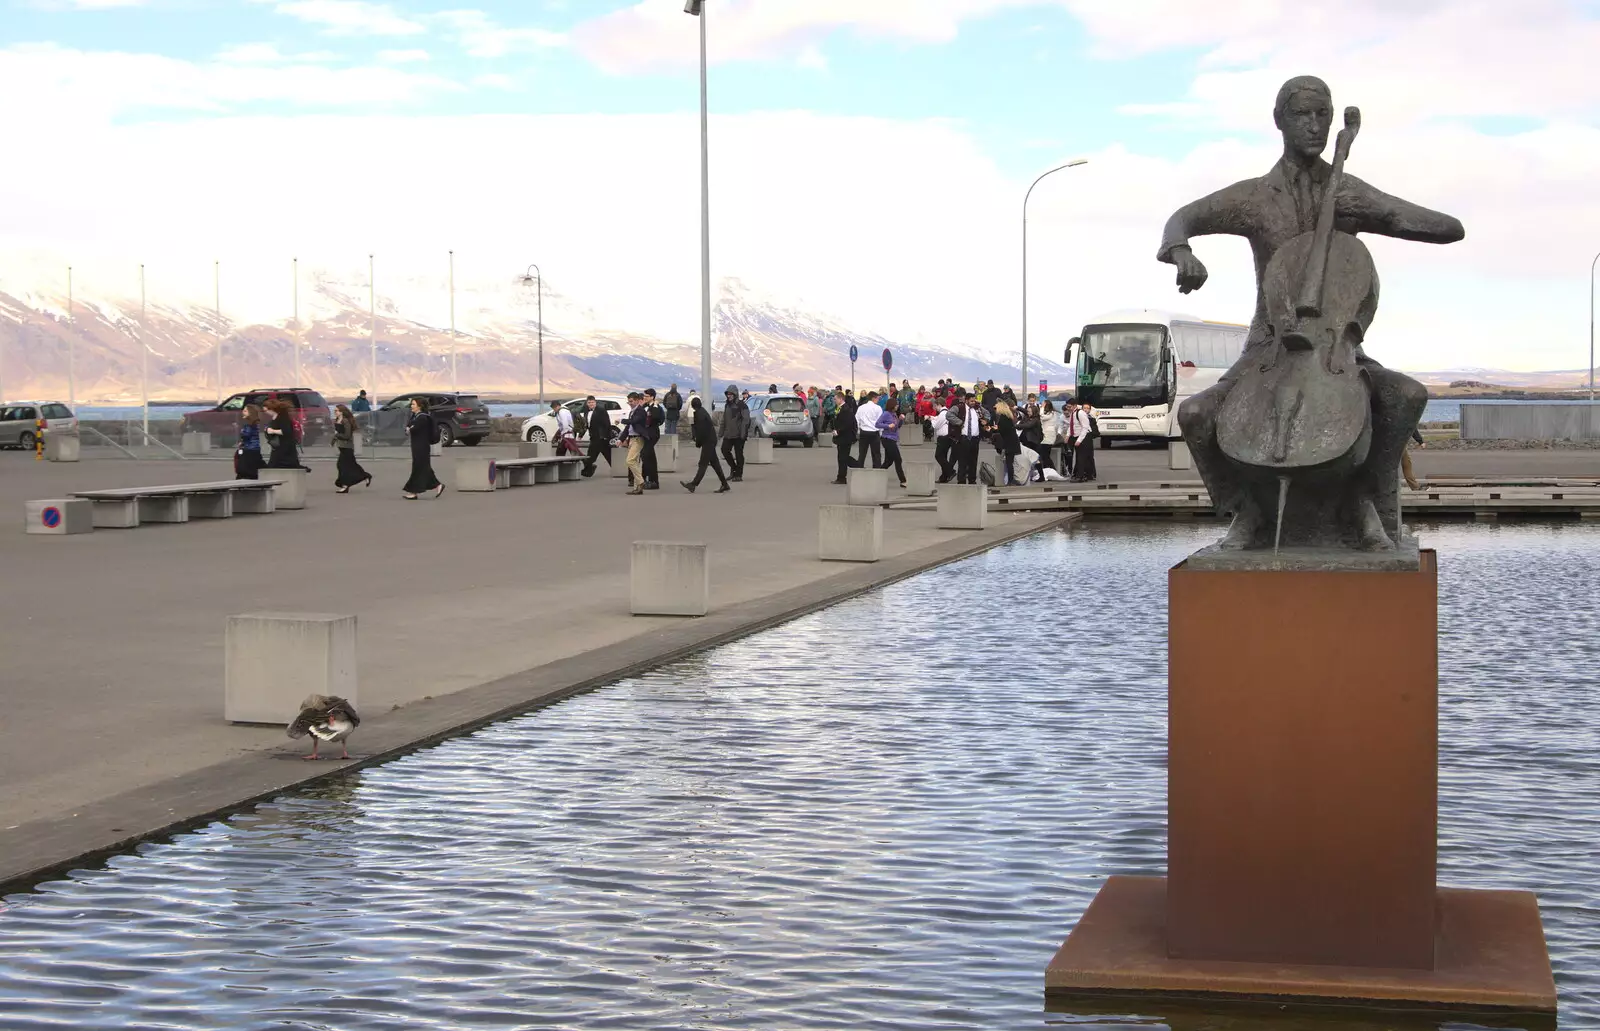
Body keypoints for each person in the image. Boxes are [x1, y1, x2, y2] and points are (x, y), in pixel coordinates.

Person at [1160, 74, 1463, 549]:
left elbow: (1449, 229)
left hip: (1334, 349)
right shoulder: (1254, 197)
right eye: (1302, 114)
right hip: (1266, 348)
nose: (1315, 125)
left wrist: (1386, 214)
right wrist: (1181, 251)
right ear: (1279, 120)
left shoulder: (1347, 190)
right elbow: (1183, 218)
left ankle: (1367, 502)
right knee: (1197, 416)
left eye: (1323, 114)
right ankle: (1247, 511)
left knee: (1405, 395)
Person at [681, 396, 731, 493]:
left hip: (708, 442)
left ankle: (693, 484)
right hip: (711, 440)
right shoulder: (702, 412)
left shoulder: (699, 415)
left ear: (692, 406)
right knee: (715, 464)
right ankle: (725, 484)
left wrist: (698, 442)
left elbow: (701, 432)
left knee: (703, 464)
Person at [403, 396, 444, 499]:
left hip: (422, 446)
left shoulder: (422, 417)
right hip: (416, 445)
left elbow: (412, 429)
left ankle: (414, 492)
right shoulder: (415, 416)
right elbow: (408, 427)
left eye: (413, 404)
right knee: (423, 467)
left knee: (419, 467)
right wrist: (409, 428)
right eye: (411, 404)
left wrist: (410, 428)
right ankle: (436, 485)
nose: (411, 406)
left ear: (419, 406)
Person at [332, 404, 372, 492]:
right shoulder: (338, 420)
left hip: (347, 447)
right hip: (342, 446)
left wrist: (337, 435)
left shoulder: (345, 421)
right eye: (334, 411)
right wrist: (335, 438)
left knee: (342, 466)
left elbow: (347, 435)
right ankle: (365, 476)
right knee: (351, 465)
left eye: (336, 411)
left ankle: (345, 485)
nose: (335, 412)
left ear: (342, 412)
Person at [263, 399, 308, 471]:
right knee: (274, 465)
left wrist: (272, 431)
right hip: (278, 446)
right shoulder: (275, 418)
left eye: (266, 411)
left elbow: (286, 431)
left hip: (285, 446)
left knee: (275, 465)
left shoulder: (283, 417)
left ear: (271, 409)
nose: (266, 413)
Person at [951, 389, 983, 484]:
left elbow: (987, 414)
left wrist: (979, 404)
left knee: (973, 461)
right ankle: (961, 480)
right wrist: (959, 422)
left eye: (974, 401)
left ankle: (972, 480)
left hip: (975, 438)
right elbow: (949, 415)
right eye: (971, 401)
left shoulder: (977, 408)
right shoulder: (960, 407)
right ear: (966, 400)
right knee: (963, 460)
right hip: (964, 438)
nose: (973, 403)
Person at [619, 392, 648, 495]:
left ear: (636, 400)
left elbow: (634, 421)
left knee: (630, 461)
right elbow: (628, 428)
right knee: (635, 462)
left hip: (638, 439)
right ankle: (638, 488)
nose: (630, 403)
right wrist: (621, 439)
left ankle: (640, 482)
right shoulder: (632, 411)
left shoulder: (640, 411)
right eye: (628, 402)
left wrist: (621, 420)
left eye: (631, 401)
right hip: (631, 439)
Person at [720, 385, 749, 482]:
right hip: (728, 434)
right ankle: (734, 469)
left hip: (739, 434)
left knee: (739, 454)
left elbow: (746, 420)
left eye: (731, 394)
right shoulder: (727, 405)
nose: (729, 396)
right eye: (728, 394)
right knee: (724, 450)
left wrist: (743, 434)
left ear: (735, 394)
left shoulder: (741, 405)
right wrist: (720, 433)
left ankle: (738, 475)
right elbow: (724, 420)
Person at [877, 398, 907, 487]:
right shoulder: (886, 414)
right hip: (887, 439)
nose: (898, 406)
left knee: (888, 461)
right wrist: (887, 425)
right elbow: (877, 424)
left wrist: (901, 419)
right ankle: (903, 481)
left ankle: (877, 475)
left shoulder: (894, 414)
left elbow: (897, 426)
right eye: (896, 405)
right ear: (892, 405)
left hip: (893, 439)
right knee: (898, 459)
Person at [831, 388, 858, 484]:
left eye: (835, 399)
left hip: (845, 437)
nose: (835, 401)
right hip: (840, 437)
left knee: (843, 457)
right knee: (842, 457)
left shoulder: (846, 409)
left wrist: (838, 431)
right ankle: (841, 476)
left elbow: (848, 424)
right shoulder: (839, 408)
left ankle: (856, 467)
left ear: (840, 399)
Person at [580, 396, 612, 477]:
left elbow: (607, 423)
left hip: (602, 437)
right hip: (593, 436)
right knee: (591, 455)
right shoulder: (586, 411)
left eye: (592, 402)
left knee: (608, 455)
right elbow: (586, 424)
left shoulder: (601, 410)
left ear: (595, 402)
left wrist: (606, 436)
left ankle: (618, 470)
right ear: (587, 403)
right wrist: (581, 435)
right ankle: (588, 470)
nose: (591, 404)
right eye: (589, 402)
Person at [993, 398, 1021, 486]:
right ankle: (1011, 479)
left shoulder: (1003, 418)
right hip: (1012, 441)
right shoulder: (1008, 417)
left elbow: (1002, 430)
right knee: (1010, 461)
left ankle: (1011, 480)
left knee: (1009, 462)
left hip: (1009, 442)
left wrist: (995, 429)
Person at [855, 390, 884, 468]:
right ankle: (877, 469)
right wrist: (881, 432)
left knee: (862, 453)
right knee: (876, 454)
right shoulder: (878, 408)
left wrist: (858, 431)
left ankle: (859, 468)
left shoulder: (861, 407)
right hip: (874, 432)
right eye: (877, 398)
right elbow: (880, 422)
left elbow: (857, 420)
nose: (878, 400)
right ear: (873, 398)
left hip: (863, 432)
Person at [235, 404, 265, 479]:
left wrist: (240, 429)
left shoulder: (250, 425)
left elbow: (246, 435)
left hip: (249, 451)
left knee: (245, 470)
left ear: (251, 413)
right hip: (253, 450)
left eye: (245, 411)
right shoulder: (254, 424)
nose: (243, 412)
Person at [1070, 400, 1098, 482]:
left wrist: (1080, 439)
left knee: (1087, 457)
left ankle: (1087, 474)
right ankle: (1080, 474)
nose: (1086, 409)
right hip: (1080, 436)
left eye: (1087, 408)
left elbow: (1088, 429)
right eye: (1084, 408)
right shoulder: (1076, 414)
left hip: (1086, 438)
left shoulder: (1090, 418)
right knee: (1080, 457)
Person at [932, 399, 955, 483]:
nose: (935, 408)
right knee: (943, 457)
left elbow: (936, 426)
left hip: (943, 437)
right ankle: (944, 477)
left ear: (939, 404)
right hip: (948, 437)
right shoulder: (947, 412)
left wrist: (931, 420)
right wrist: (933, 418)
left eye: (935, 406)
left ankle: (950, 471)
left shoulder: (942, 414)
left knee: (938, 456)